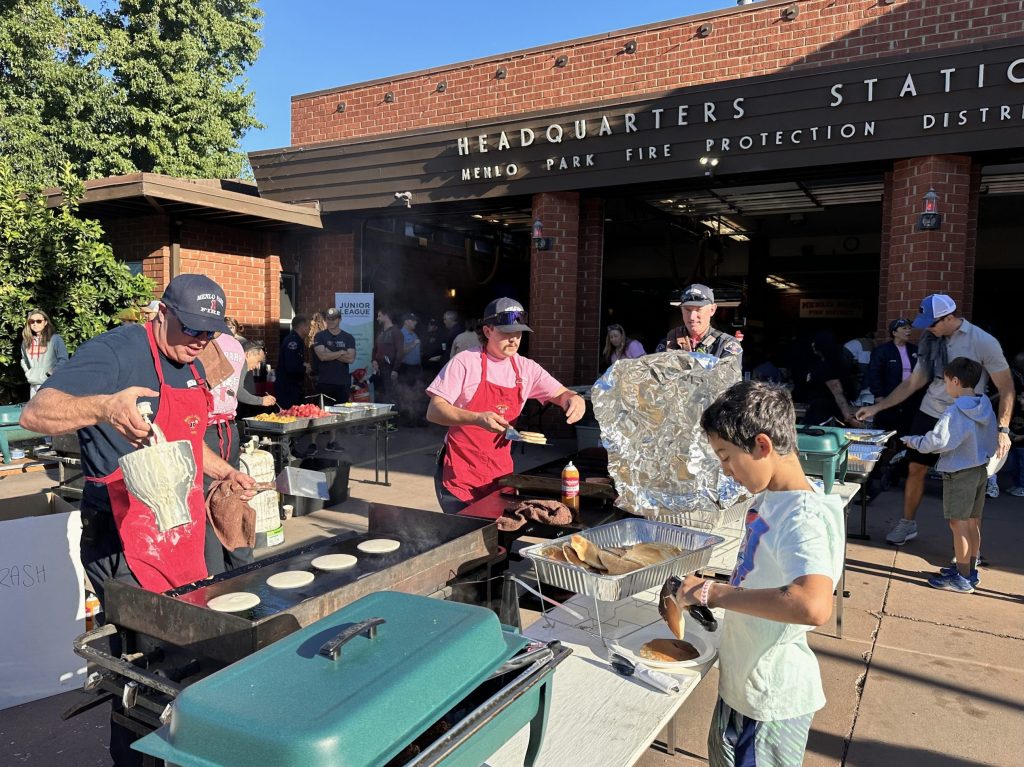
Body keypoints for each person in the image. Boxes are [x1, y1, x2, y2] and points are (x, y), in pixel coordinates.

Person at [19, 274, 256, 767]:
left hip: (182, 529)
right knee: (144, 666)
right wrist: (105, 405)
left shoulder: (197, 360)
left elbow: (183, 438)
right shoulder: (115, 351)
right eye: (191, 329)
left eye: (209, 333)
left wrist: (224, 469)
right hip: (122, 533)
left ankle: (186, 752)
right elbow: (36, 413)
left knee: (195, 648)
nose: (199, 341)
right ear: (161, 313)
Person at [662, 380, 844, 767]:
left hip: (770, 699)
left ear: (762, 445)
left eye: (726, 456)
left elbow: (812, 605)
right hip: (746, 683)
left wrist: (713, 593)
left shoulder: (802, 516)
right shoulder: (772, 500)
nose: (726, 470)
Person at [856, 294, 1013, 546]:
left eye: (932, 323)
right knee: (915, 467)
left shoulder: (983, 342)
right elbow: (913, 383)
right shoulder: (931, 339)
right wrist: (878, 407)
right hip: (931, 410)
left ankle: (966, 549)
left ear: (949, 318)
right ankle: (907, 524)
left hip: (966, 416)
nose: (927, 328)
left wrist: (1003, 429)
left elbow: (1006, 388)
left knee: (966, 481)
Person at [426, 297, 587, 514]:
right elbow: (434, 410)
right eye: (505, 333)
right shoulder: (465, 362)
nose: (513, 340)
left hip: (501, 473)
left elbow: (562, 393)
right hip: (461, 473)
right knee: (466, 538)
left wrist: (573, 399)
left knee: (499, 540)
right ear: (488, 330)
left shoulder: (526, 369)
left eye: (518, 334)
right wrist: (476, 418)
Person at [900, 357, 996, 592]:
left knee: (958, 524)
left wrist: (913, 442)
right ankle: (969, 571)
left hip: (959, 471)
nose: (945, 387)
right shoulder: (984, 404)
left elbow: (939, 441)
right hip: (979, 469)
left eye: (945, 382)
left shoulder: (954, 412)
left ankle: (962, 578)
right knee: (972, 522)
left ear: (955, 380)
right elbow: (992, 440)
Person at [198, 331, 270, 574]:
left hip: (206, 430)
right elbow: (236, 391)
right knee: (233, 499)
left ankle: (218, 578)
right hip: (228, 428)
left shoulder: (196, 343)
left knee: (208, 505)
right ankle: (242, 572)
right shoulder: (236, 346)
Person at [866, 318, 920, 435]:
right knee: (885, 433)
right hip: (888, 398)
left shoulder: (915, 350)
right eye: (904, 328)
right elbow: (874, 374)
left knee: (906, 433)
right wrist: (878, 395)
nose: (908, 331)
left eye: (909, 328)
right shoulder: (882, 351)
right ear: (894, 333)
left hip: (910, 399)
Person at [658, 283, 742, 357]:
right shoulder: (668, 343)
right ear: (681, 310)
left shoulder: (725, 345)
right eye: (687, 310)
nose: (692, 317)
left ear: (712, 310)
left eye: (698, 310)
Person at [802, 331, 863, 426]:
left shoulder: (828, 368)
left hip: (823, 413)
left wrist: (848, 417)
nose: (812, 345)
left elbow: (838, 394)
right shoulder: (821, 364)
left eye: (815, 342)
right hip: (817, 409)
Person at [313, 307, 356, 406]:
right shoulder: (320, 336)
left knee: (342, 414)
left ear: (340, 320)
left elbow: (350, 359)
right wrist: (341, 352)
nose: (331, 321)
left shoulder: (348, 337)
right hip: (325, 382)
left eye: (334, 319)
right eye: (329, 319)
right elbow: (322, 357)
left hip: (343, 384)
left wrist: (329, 352)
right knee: (324, 415)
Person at [21, 308, 68, 398]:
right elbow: (24, 360)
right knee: (35, 411)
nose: (35, 324)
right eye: (32, 321)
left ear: (45, 322)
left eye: (39, 321)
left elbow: (64, 360)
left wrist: (49, 373)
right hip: (34, 385)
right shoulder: (26, 342)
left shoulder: (55, 339)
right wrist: (29, 374)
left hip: (52, 385)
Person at [396, 313, 425, 426]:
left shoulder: (413, 334)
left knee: (416, 392)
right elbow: (400, 352)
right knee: (406, 393)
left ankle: (415, 418)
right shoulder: (401, 334)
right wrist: (413, 344)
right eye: (413, 321)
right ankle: (407, 419)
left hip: (416, 368)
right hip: (406, 368)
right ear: (406, 321)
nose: (415, 323)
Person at [277, 314, 311, 409]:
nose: (309, 329)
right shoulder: (293, 342)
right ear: (302, 327)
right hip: (288, 388)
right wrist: (305, 368)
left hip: (293, 386)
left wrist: (303, 364)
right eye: (307, 326)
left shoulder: (297, 340)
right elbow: (291, 366)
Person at [372, 308, 404, 403]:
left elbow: (400, 352)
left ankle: (391, 417)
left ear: (386, 316)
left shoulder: (396, 332)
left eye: (379, 316)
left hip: (389, 370)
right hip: (378, 371)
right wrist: (373, 361)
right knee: (378, 396)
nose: (377, 318)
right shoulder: (380, 332)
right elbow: (374, 349)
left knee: (389, 397)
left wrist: (395, 370)